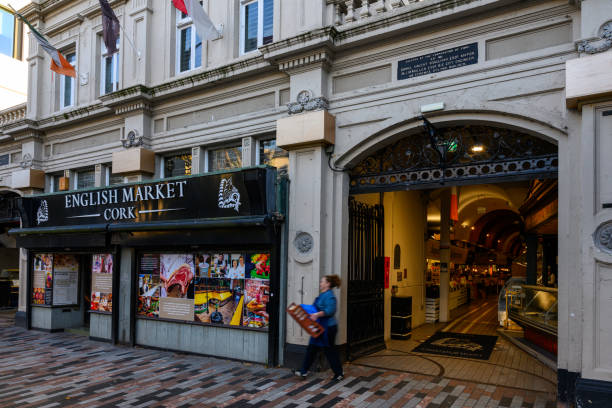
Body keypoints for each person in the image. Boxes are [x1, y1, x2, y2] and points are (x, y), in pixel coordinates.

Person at [295, 275, 344, 381]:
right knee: (311, 349)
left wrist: (317, 314)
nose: (320, 283)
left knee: (330, 351)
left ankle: (339, 373)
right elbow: (315, 308)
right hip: (318, 327)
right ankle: (303, 371)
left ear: (328, 284)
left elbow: (330, 310)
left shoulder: (330, 296)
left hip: (328, 329)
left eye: (322, 281)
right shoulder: (323, 295)